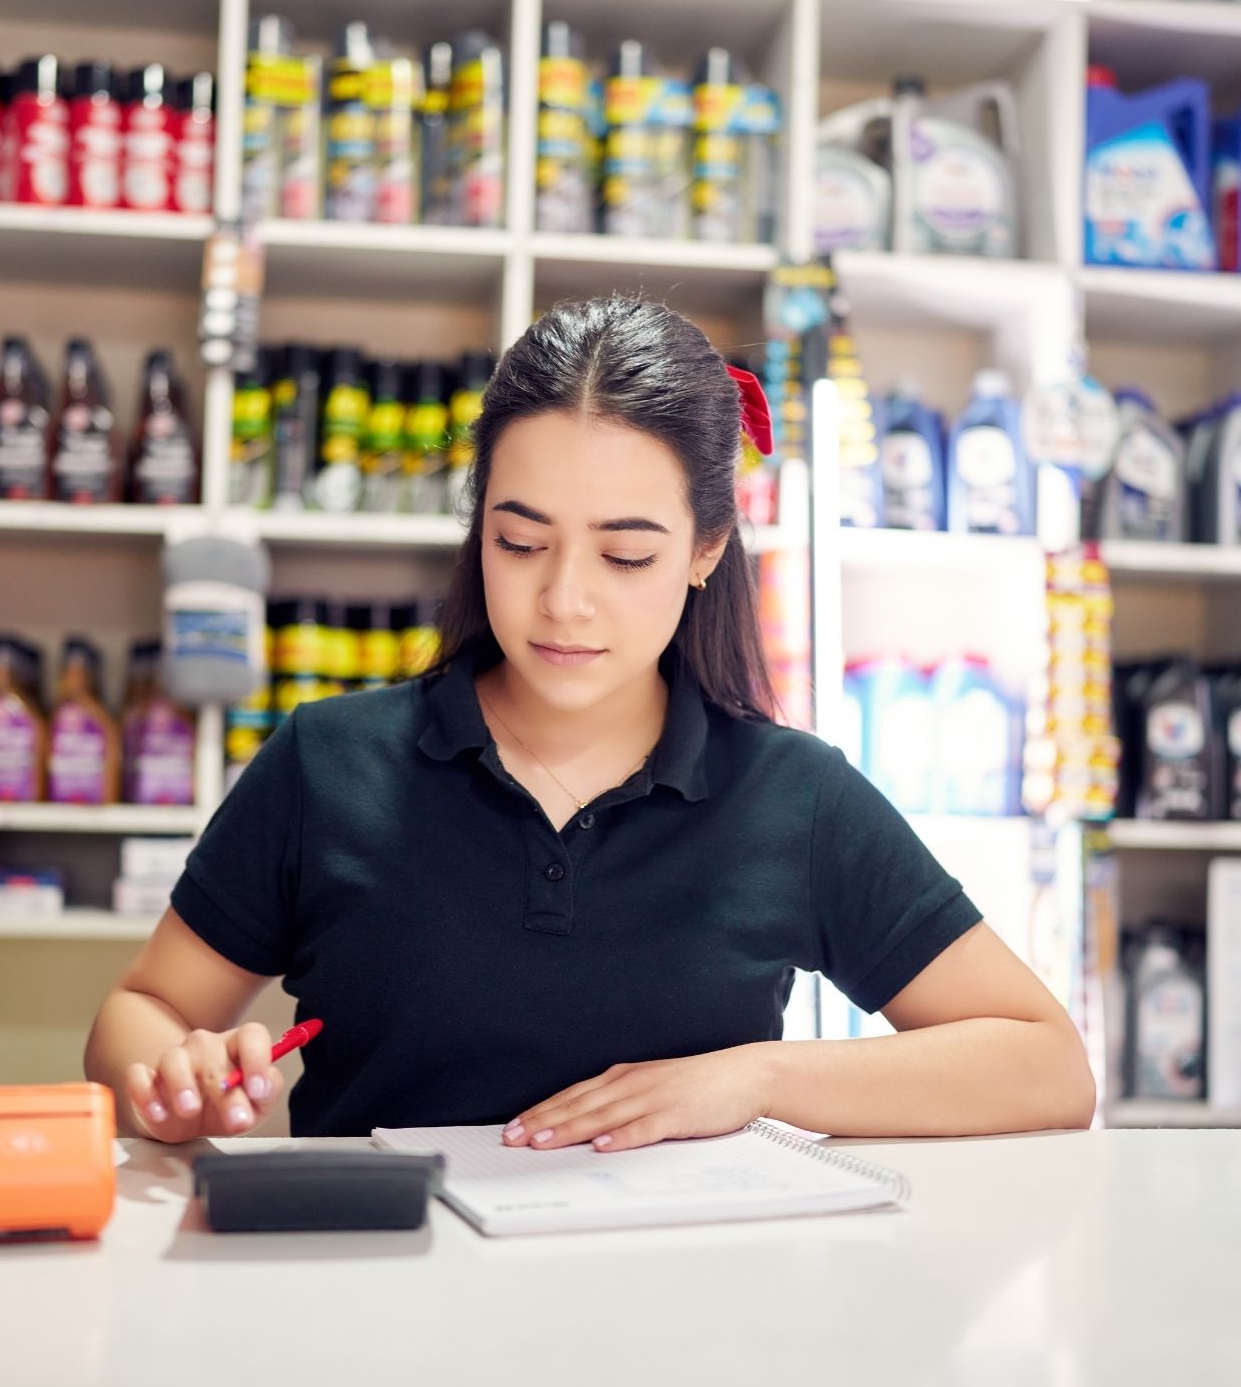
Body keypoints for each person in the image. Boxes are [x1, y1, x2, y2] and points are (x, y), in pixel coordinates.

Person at [84, 296, 1096, 1151]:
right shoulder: (327, 762)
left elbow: (1046, 1063)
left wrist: (754, 1078)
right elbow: (141, 1013)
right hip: (378, 1316)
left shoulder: (791, 797)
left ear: (705, 548)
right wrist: (175, 1077)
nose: (563, 599)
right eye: (520, 542)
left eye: (623, 556)